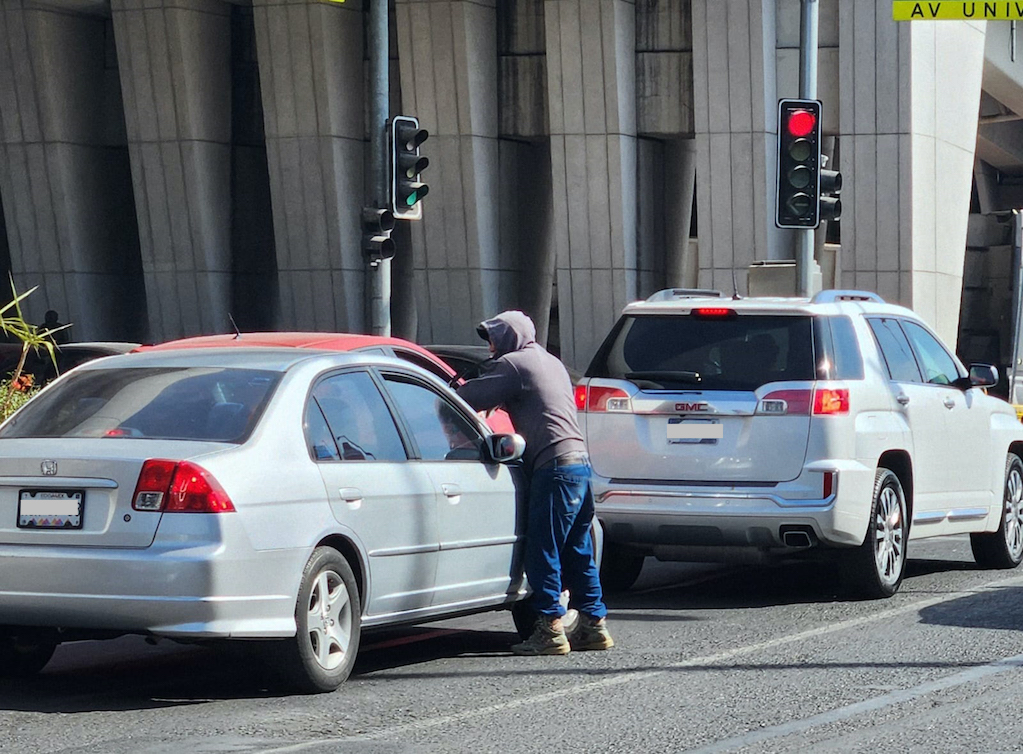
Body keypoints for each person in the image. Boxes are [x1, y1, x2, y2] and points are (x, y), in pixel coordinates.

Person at [457, 310, 612, 656]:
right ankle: (594, 625)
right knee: (577, 549)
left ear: (510, 338)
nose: (492, 347)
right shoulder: (549, 362)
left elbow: (465, 401)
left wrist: (456, 389)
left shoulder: (514, 365)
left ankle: (550, 629)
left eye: (494, 338)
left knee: (543, 550)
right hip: (580, 466)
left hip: (553, 467)